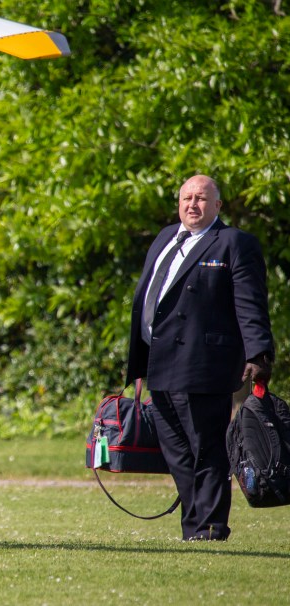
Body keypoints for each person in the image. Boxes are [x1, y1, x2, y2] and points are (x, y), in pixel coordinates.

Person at [126, 174, 274, 541]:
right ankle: (194, 527)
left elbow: (250, 304)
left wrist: (257, 353)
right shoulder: (164, 239)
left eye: (202, 198)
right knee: (175, 451)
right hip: (159, 363)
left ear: (217, 206)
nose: (193, 204)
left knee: (206, 449)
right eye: (187, 198)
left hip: (205, 364)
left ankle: (209, 527)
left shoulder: (234, 243)